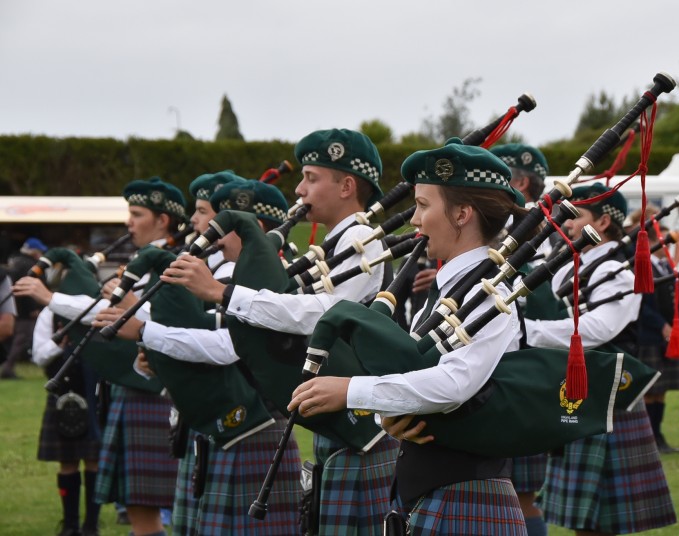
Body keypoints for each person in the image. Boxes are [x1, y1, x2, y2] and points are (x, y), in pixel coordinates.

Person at [163, 128, 398, 535]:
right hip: (341, 412)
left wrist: (224, 293)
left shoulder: (363, 238)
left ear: (346, 185)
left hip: (360, 417)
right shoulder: (338, 240)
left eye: (311, 177)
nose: (300, 188)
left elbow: (325, 315)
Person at [287, 139, 529, 534]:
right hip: (432, 494)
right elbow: (418, 375)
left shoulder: (490, 294)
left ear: (462, 214)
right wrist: (390, 418)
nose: (414, 220)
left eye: (423, 205)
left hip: (468, 498)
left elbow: (454, 383)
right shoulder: (448, 290)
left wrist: (350, 390)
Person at [94, 176, 304, 535]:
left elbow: (226, 348)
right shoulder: (223, 274)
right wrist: (153, 352)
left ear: (258, 227)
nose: (210, 230)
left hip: (257, 425)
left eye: (223, 221)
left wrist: (144, 329)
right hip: (222, 426)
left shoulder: (272, 280)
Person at [17, 177, 185, 536]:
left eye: (136, 214)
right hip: (132, 383)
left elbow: (117, 312)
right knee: (139, 507)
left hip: (154, 389)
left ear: (163, 220)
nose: (128, 222)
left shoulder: (171, 261)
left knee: (152, 507)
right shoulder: (144, 258)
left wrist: (50, 299)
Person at [525, 183, 676, 536]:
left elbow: (597, 330)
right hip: (575, 393)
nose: (568, 222)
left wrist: (527, 332)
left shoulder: (618, 274)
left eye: (576, 215)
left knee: (601, 523)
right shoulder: (562, 267)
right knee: (586, 522)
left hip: (609, 397)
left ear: (604, 222)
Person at [490, 142, 551, 536]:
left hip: (523, 370)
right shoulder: (497, 234)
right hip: (495, 370)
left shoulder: (543, 237)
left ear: (521, 182)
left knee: (520, 492)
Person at [19, 259, 104, 536]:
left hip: (96, 394)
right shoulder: (49, 312)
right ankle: (69, 526)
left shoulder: (102, 310)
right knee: (67, 462)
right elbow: (39, 354)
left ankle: (91, 525)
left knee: (93, 460)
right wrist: (60, 342)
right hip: (63, 394)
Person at [635, 224, 679, 453]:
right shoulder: (643, 267)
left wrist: (675, 323)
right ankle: (650, 438)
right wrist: (662, 325)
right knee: (650, 390)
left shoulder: (666, 266)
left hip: (665, 335)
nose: (667, 242)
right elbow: (641, 304)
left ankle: (659, 435)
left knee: (661, 390)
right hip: (649, 335)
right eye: (663, 237)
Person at [1, 237, 47, 379]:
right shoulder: (30, 266)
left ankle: (8, 367)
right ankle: (8, 368)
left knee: (19, 337)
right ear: (33, 251)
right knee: (21, 338)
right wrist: (32, 308)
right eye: (39, 251)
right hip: (25, 311)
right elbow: (27, 288)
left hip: (15, 308)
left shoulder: (16, 263)